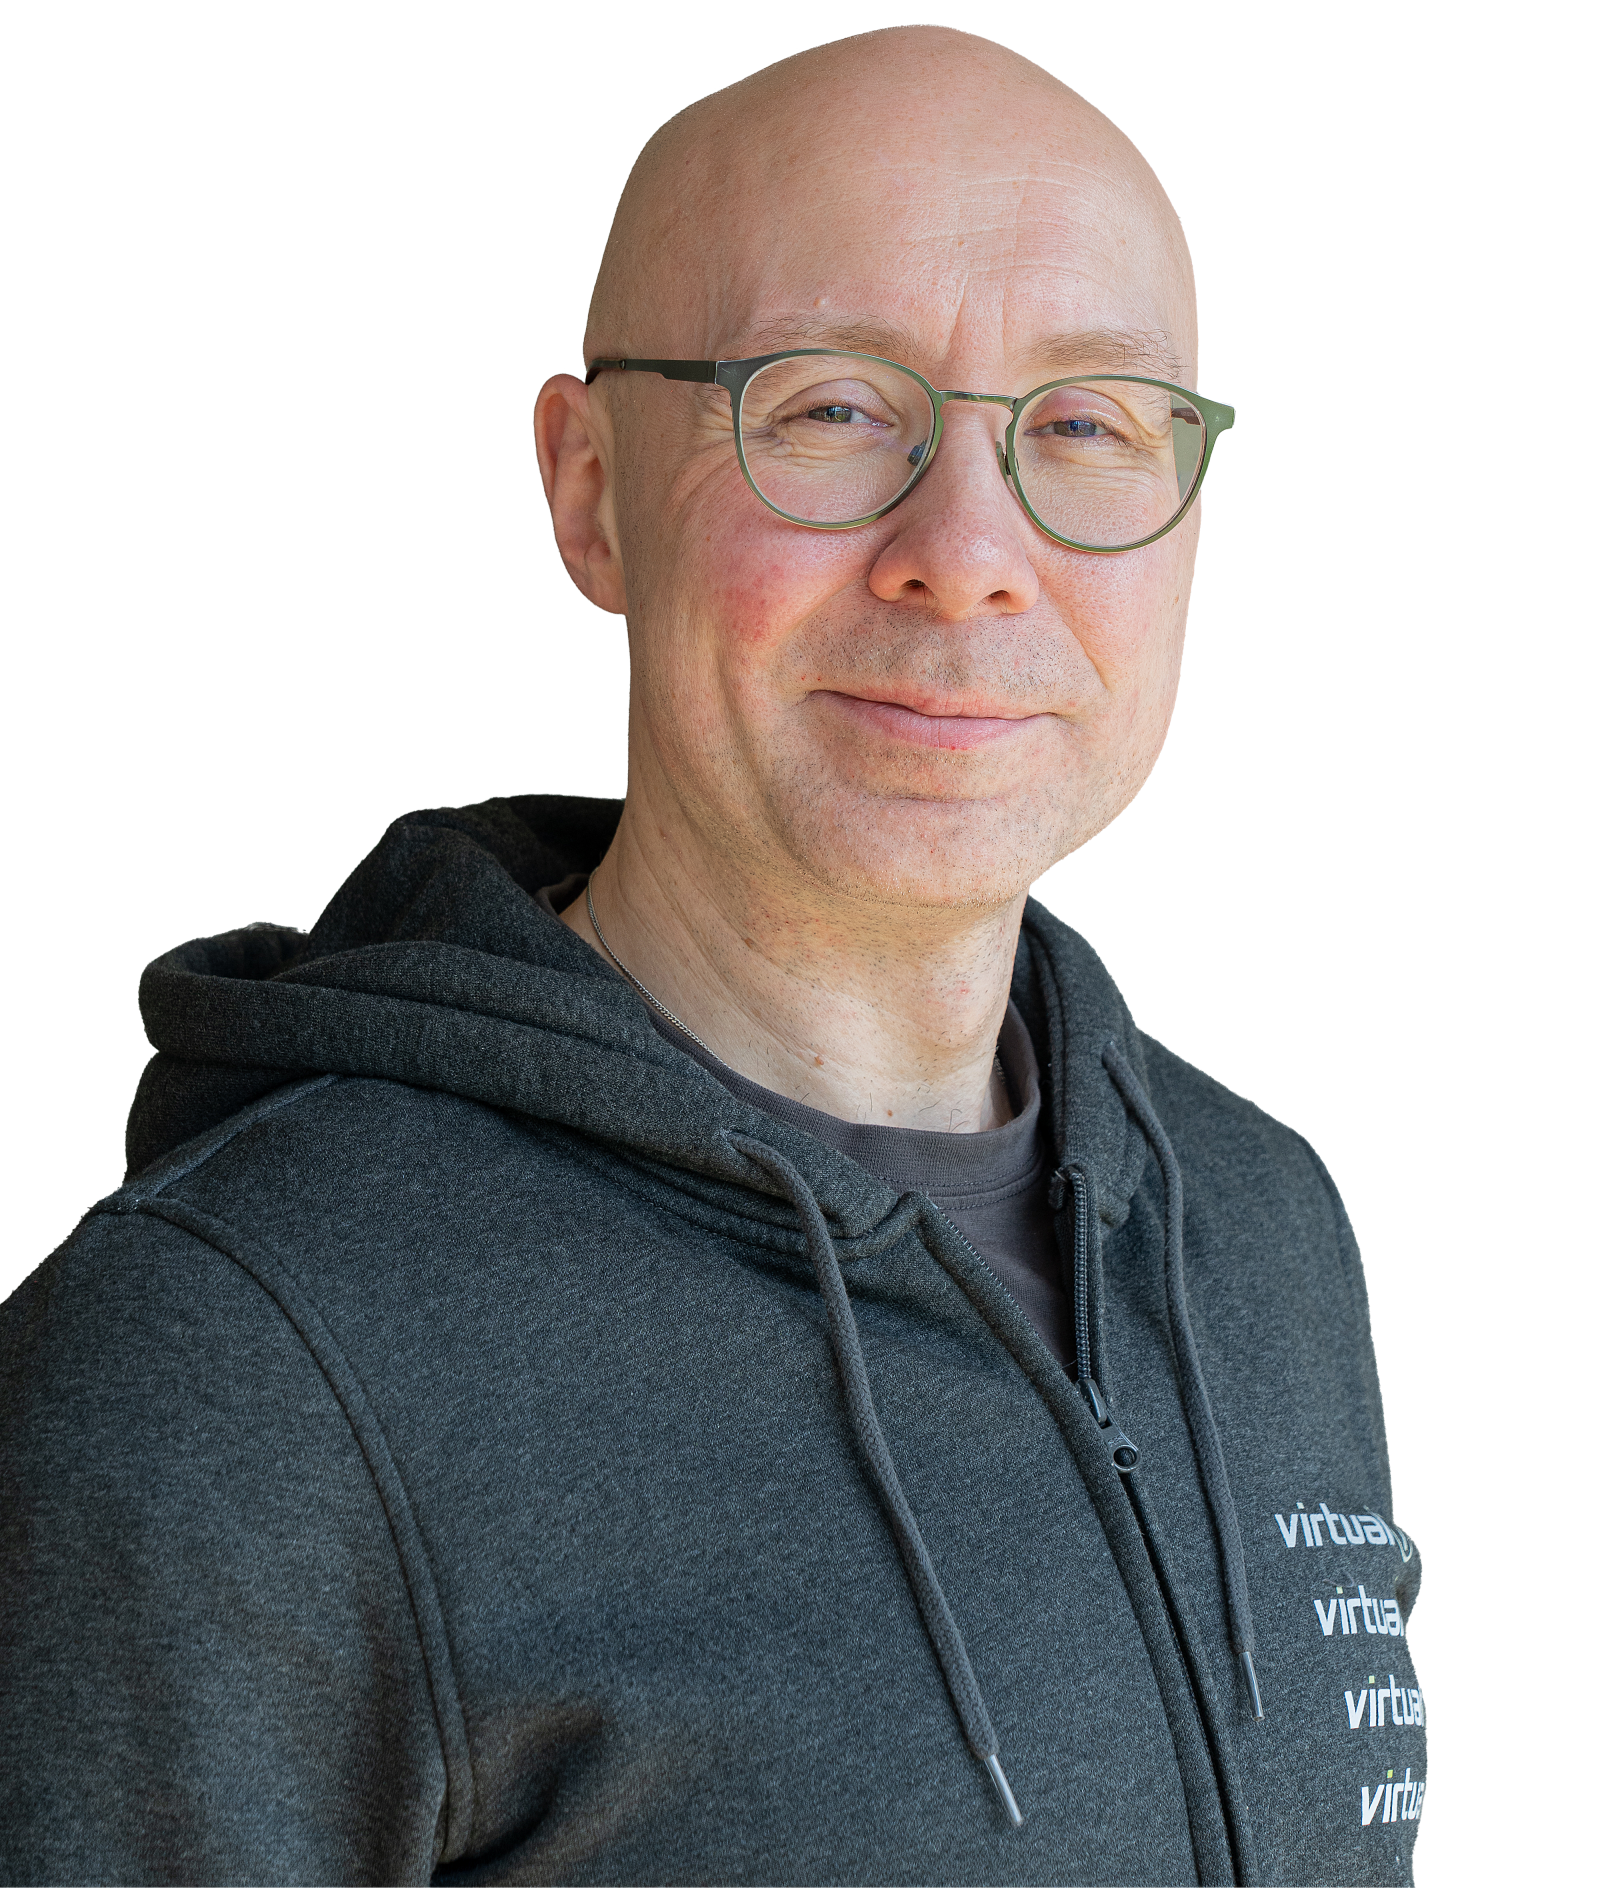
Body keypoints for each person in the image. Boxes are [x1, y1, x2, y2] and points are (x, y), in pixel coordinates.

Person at [1, 27, 1426, 1886]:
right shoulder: (240, 1354)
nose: (971, 553)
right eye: (831, 407)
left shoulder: (1260, 1221)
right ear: (590, 489)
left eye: (1085, 424)